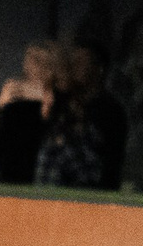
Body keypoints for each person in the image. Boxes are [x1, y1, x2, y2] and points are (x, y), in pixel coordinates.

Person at [33, 42, 129, 189]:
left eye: (81, 62)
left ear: (99, 69)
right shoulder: (63, 103)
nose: (74, 67)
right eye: (74, 61)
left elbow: (109, 158)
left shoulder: (110, 110)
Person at [0, 41, 62, 182]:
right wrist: (1, 105)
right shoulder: (13, 90)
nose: (30, 65)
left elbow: (52, 131)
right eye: (29, 59)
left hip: (38, 166)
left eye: (38, 60)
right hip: (9, 163)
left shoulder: (55, 96)